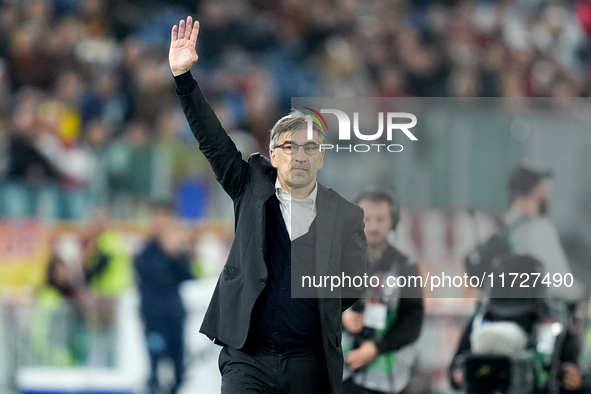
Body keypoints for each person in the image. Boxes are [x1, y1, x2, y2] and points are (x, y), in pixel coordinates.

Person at [169, 16, 367, 394]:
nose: (300, 156)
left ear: (321, 158)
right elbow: (212, 140)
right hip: (249, 360)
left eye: (310, 148)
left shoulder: (345, 216)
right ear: (273, 155)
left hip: (310, 366)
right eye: (290, 147)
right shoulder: (248, 185)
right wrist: (184, 80)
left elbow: (355, 281)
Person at [342, 188, 424, 394]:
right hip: (338, 375)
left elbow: (413, 321)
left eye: (380, 219)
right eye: (367, 219)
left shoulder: (406, 266)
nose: (373, 226)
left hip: (387, 381)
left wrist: (378, 348)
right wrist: (341, 315)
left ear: (393, 222)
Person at [134, 202, 194, 394]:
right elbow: (154, 278)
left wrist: (177, 254)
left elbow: (187, 276)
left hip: (174, 317)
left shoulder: (177, 252)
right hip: (153, 318)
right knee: (155, 369)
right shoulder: (144, 252)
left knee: (179, 370)